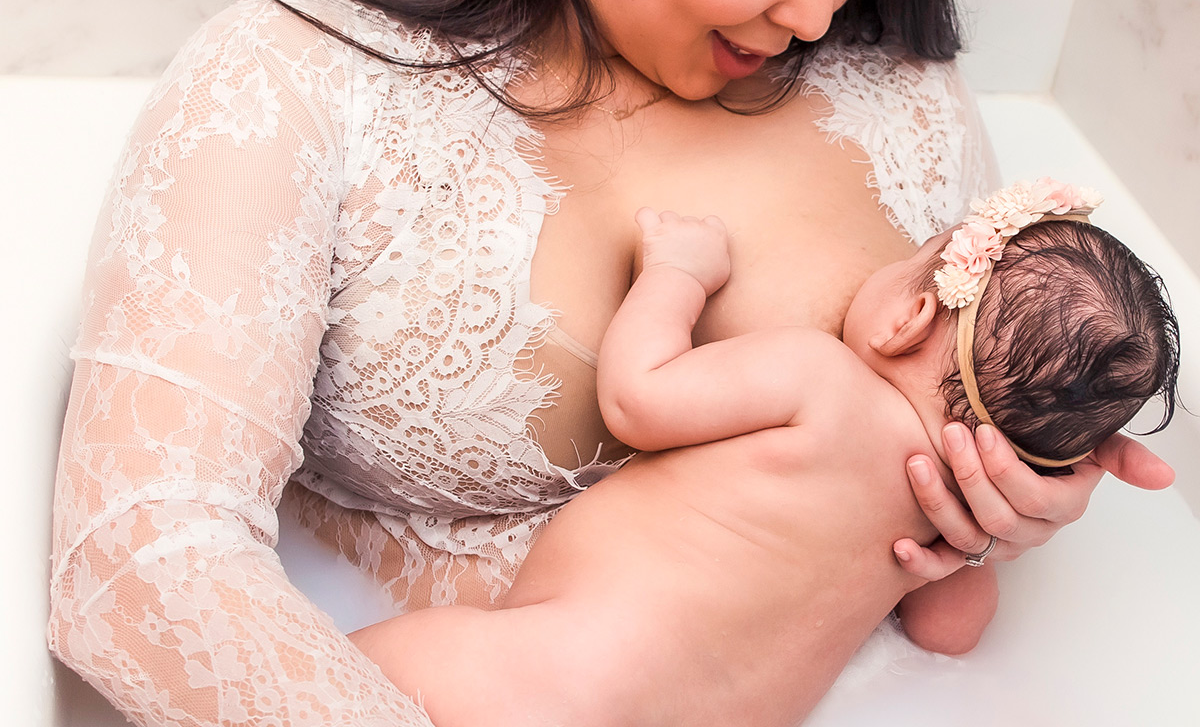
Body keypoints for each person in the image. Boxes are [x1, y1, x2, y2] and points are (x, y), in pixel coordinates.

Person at [48, 0, 1171, 727]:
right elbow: (136, 562)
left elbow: (932, 510)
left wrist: (1004, 513)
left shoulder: (904, 103)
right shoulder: (298, 83)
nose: (820, 15)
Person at [348, 185, 1180, 727]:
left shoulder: (820, 378)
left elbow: (639, 399)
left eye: (909, 256)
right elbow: (950, 637)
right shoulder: (948, 521)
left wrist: (676, 275)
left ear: (912, 315)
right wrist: (978, 549)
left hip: (545, 687)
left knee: (306, 680)